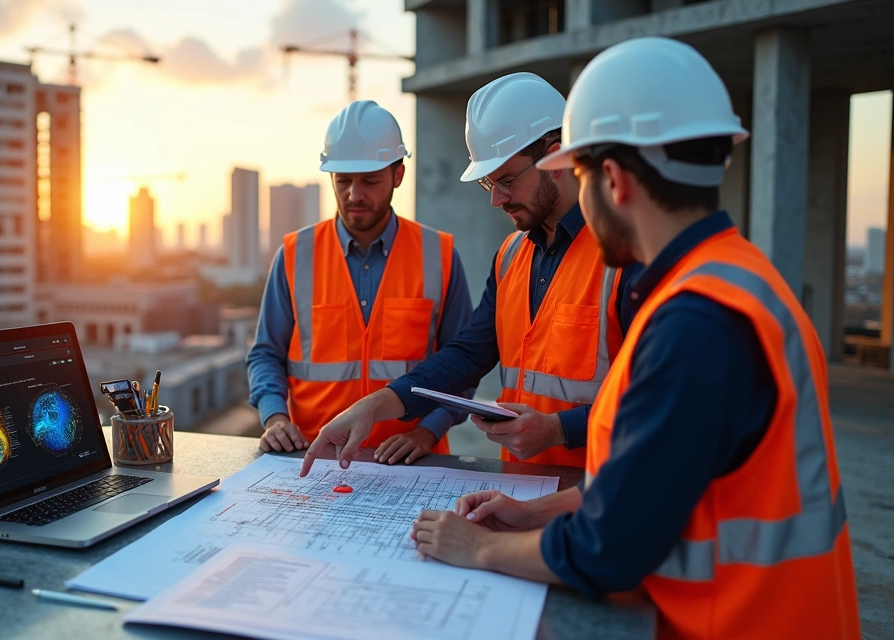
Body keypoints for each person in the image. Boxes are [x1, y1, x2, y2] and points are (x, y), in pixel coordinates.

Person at [410, 37, 860, 639]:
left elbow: (607, 548)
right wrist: (532, 511)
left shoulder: (696, 323)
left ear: (614, 181)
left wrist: (476, 548)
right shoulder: (741, 283)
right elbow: (654, 480)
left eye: (581, 174)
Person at [300, 73, 640, 474]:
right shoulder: (511, 257)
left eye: (508, 180)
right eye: (488, 183)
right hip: (523, 490)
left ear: (558, 156)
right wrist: (373, 406)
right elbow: (466, 355)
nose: (497, 199)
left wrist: (557, 429)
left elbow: (661, 398)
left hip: (604, 498)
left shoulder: (629, 254)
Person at [246, 100, 474, 465]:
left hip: (414, 462)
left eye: (369, 181)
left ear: (398, 175)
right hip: (312, 457)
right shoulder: (294, 254)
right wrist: (275, 417)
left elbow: (464, 364)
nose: (355, 195)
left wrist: (426, 430)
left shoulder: (440, 255)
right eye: (343, 181)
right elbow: (266, 353)